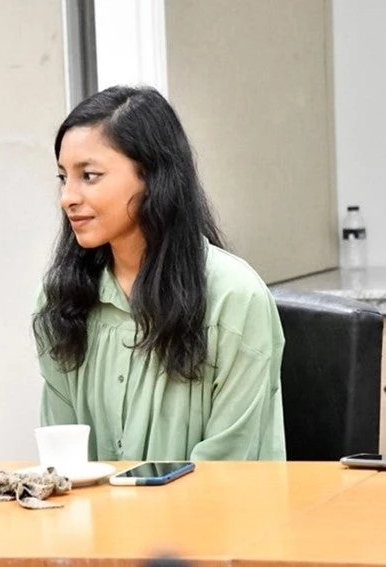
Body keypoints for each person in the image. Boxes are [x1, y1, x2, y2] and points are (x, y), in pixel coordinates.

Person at [33, 86, 285, 461]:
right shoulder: (61, 298)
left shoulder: (235, 297)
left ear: (152, 177)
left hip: (211, 501)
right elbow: (64, 461)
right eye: (62, 177)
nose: (67, 197)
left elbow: (231, 468)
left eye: (89, 175)